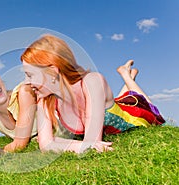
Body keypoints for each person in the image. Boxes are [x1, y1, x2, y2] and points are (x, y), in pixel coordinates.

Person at [21, 34, 165, 154]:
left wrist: (63, 143)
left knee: (147, 105)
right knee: (120, 99)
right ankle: (128, 78)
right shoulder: (46, 99)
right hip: (111, 103)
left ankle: (127, 76)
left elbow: (91, 142)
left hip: (135, 113)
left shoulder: (92, 81)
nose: (26, 82)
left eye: (30, 75)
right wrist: (79, 146)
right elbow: (46, 145)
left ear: (52, 71)